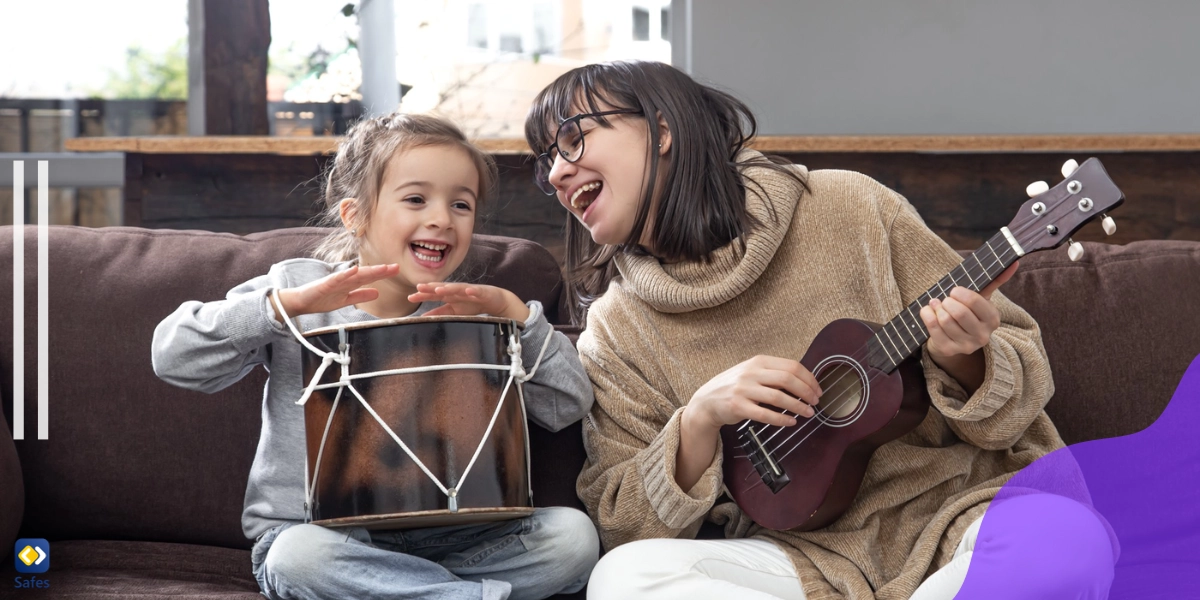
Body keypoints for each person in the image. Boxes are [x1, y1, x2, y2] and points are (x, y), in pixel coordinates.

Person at [524, 61, 1115, 599]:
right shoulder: (616, 328)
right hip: (798, 561)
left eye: (574, 138)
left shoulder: (850, 207)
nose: (556, 172)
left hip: (961, 515)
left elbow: (1024, 388)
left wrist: (969, 357)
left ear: (662, 128)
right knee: (623, 579)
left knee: (1068, 539)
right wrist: (698, 418)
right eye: (545, 158)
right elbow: (621, 522)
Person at [152, 113, 599, 600]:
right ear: (355, 215)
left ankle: (412, 592)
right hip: (329, 537)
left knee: (573, 539)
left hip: (463, 539)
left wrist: (520, 319)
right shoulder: (296, 292)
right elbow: (174, 356)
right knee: (296, 560)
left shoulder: (480, 310)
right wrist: (285, 308)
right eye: (415, 199)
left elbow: (566, 407)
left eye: (461, 204)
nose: (441, 219)